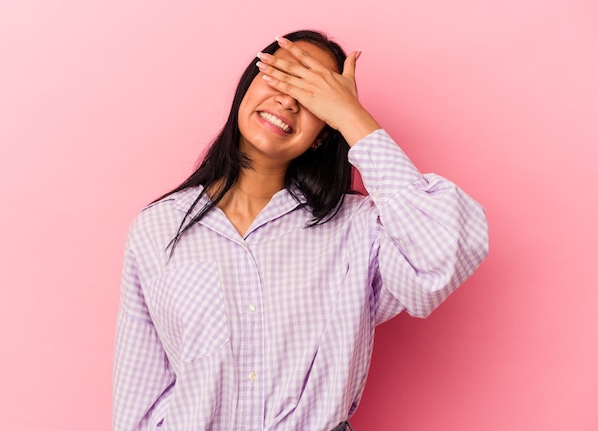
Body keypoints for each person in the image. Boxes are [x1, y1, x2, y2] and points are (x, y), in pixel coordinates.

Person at [113, 30, 489, 430]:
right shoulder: (157, 228)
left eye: (312, 93)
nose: (289, 100)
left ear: (323, 133)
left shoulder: (359, 229)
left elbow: (444, 254)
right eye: (282, 75)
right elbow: (140, 399)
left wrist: (352, 117)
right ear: (247, 86)